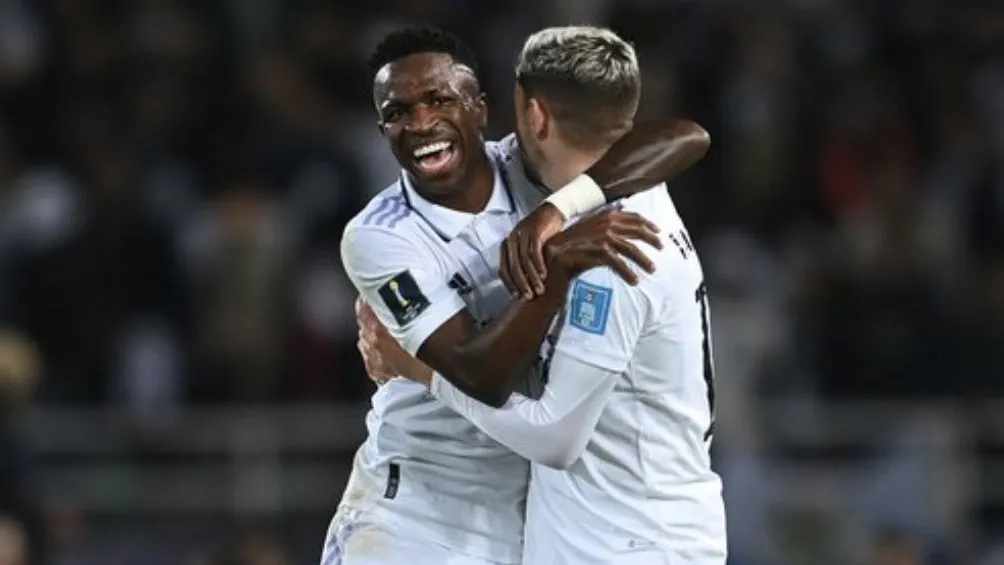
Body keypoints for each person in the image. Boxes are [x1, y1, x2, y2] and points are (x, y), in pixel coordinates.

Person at [328, 26, 710, 565]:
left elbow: (686, 137)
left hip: (522, 521)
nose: (420, 124)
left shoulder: (533, 171)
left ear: (481, 108)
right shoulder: (380, 237)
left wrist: (556, 211)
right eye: (397, 113)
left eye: (438, 99)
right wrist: (554, 268)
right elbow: (482, 373)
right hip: (418, 513)